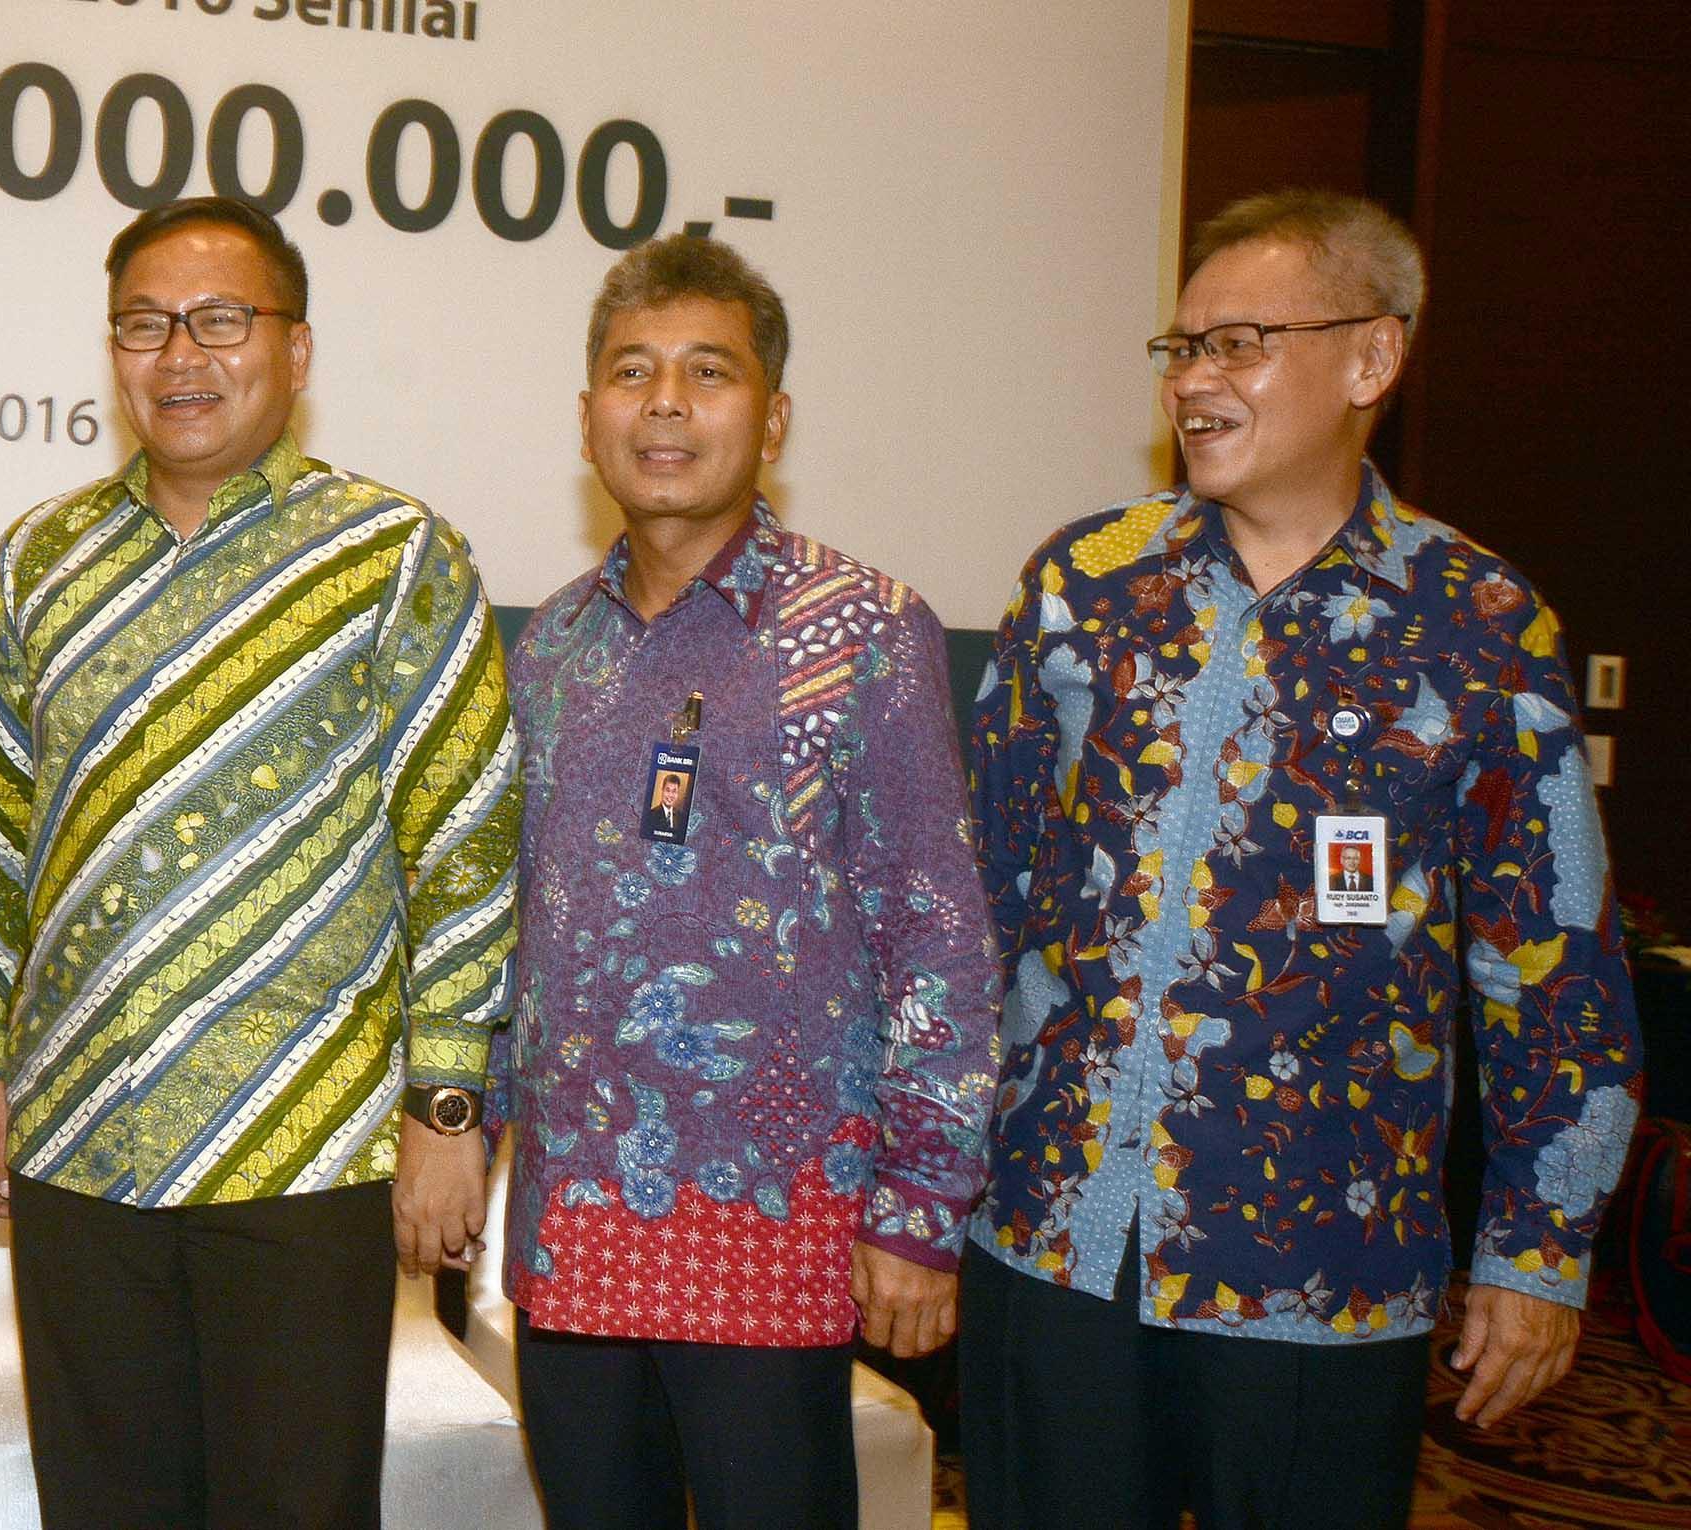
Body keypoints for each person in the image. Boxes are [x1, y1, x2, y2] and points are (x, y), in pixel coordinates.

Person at [963, 189, 1643, 1529]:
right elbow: (978, 897)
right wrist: (919, 1171)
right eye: (1183, 347)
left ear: (1373, 357)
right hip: (1055, 1243)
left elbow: (1553, 959)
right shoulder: (1083, 586)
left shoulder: (1480, 625)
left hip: (1322, 1274)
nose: (1194, 381)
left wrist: (1539, 1249)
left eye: (1241, 344)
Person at [0, 195, 519, 1529]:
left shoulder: (394, 558)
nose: (179, 354)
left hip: (303, 1147)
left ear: (295, 350)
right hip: (79, 1143)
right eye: (143, 324)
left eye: (219, 320)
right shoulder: (37, 564)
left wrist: (445, 1109)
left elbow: (466, 839)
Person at [490, 234, 1000, 1529]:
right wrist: (464, 1120)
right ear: (588, 418)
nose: (665, 403)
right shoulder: (551, 649)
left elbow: (937, 935)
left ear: (772, 420)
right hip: (575, 1224)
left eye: (707, 372)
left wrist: (922, 1205)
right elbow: (517, 927)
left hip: (775, 1229)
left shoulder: (865, 630)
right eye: (633, 372)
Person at [640, 770, 688, 840]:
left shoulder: (681, 817)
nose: (670, 795)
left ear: (677, 794)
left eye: (674, 791)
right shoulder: (650, 815)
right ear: (662, 790)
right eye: (667, 790)